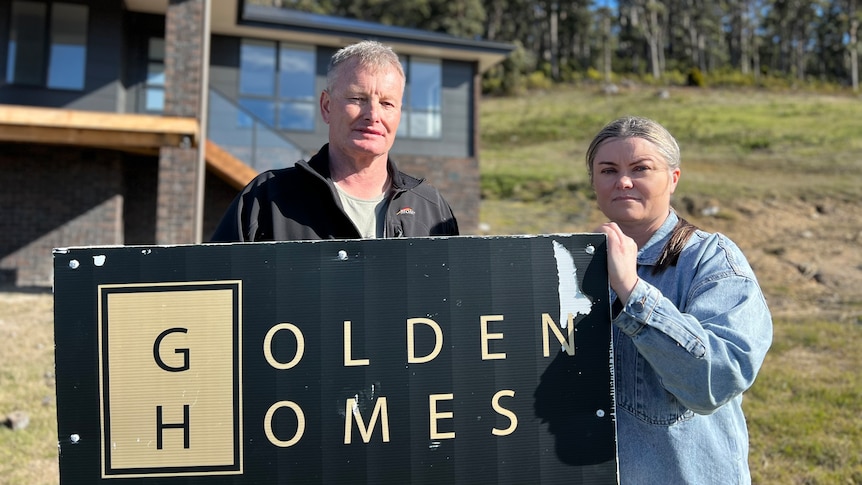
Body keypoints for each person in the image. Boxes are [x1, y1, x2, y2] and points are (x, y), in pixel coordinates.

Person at [587, 116, 772, 484]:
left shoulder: (711, 261)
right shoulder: (574, 261)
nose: (623, 181)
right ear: (593, 181)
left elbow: (716, 380)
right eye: (608, 170)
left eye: (641, 168)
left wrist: (632, 291)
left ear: (673, 178)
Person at [211, 40, 458, 242]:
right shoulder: (265, 200)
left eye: (386, 103)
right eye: (358, 98)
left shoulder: (432, 209)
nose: (373, 115)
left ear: (399, 115)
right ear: (327, 106)